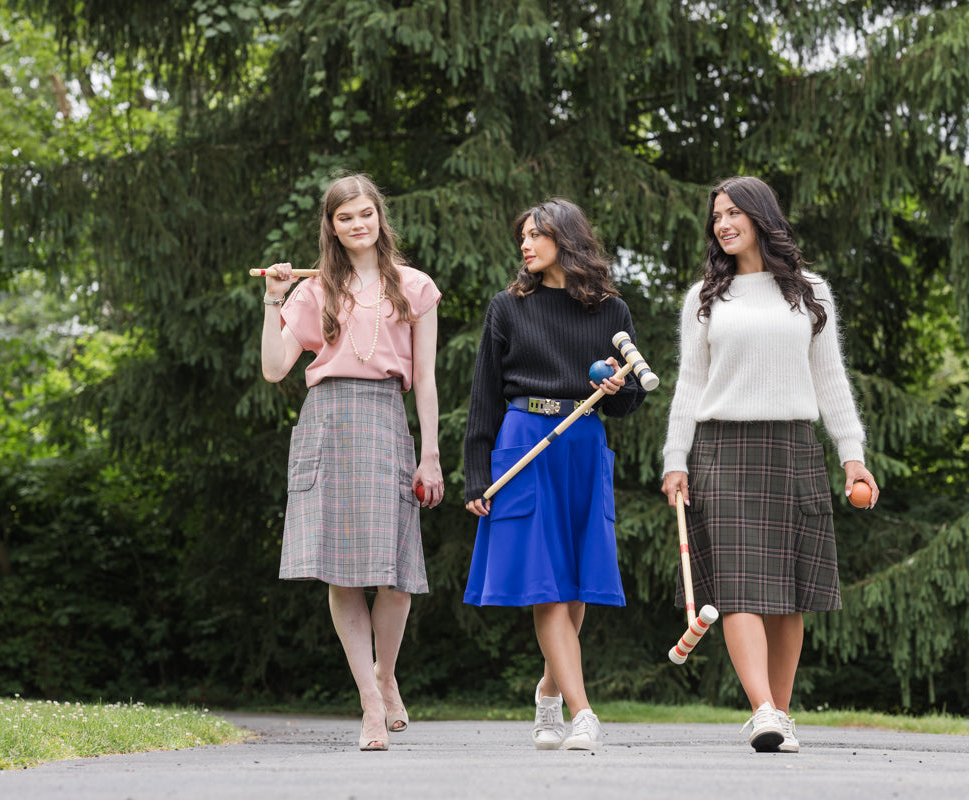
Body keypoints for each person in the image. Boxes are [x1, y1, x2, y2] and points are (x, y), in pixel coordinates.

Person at [660, 176, 879, 754]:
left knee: (789, 595)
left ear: (761, 217)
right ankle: (761, 709)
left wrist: (852, 457)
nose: (724, 224)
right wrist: (674, 459)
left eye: (734, 213)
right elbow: (689, 384)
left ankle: (778, 714)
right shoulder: (706, 298)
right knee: (737, 590)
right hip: (721, 452)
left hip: (793, 450)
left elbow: (831, 380)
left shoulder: (810, 293)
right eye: (717, 217)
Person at [260, 173, 443, 752]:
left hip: (387, 419)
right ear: (332, 226)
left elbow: (428, 378)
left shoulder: (415, 287)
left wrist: (431, 453)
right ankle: (368, 700)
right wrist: (273, 298)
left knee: (394, 573)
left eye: (365, 213)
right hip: (329, 420)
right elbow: (273, 368)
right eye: (345, 217)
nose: (357, 224)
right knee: (341, 572)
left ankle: (387, 674)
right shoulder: (314, 291)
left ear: (378, 218)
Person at [462, 198, 646, 751]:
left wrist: (618, 387)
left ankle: (549, 693)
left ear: (567, 239)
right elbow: (484, 395)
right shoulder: (507, 306)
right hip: (522, 442)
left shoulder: (610, 310)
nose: (526, 244)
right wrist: (476, 473)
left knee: (575, 584)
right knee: (547, 589)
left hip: (583, 444)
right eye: (523, 235)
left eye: (537, 234)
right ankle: (583, 712)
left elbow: (629, 399)